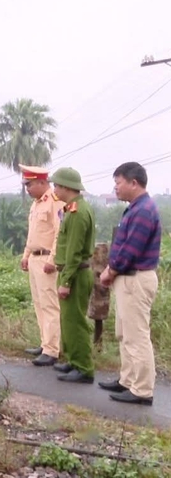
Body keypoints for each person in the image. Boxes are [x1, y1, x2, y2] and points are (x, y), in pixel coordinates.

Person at [97, 162, 161, 405]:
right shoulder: (135, 208)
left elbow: (131, 250)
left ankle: (142, 389)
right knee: (125, 333)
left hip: (136, 277)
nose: (116, 187)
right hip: (127, 278)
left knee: (136, 335)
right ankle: (128, 379)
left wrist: (110, 270)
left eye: (118, 182)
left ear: (134, 183)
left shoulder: (143, 210)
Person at [50, 167, 96, 384]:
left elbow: (74, 250)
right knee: (67, 320)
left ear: (67, 187)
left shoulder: (77, 212)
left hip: (76, 273)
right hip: (71, 271)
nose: (54, 189)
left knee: (76, 321)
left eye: (57, 185)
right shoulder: (72, 209)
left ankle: (84, 368)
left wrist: (66, 280)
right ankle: (73, 360)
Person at [18, 164, 65, 367]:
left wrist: (52, 260)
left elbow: (59, 233)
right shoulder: (36, 204)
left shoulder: (55, 202)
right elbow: (33, 233)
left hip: (47, 260)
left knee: (49, 305)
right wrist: (26, 255)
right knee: (39, 304)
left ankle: (52, 349)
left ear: (41, 182)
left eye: (29, 184)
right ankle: (45, 343)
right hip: (35, 258)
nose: (27, 188)